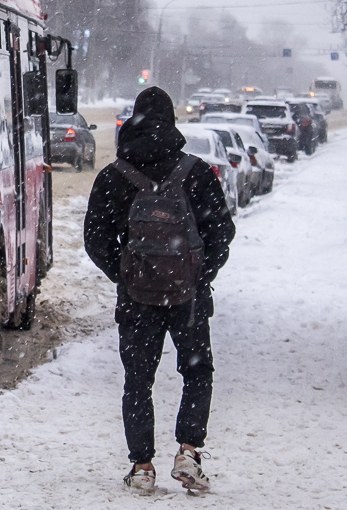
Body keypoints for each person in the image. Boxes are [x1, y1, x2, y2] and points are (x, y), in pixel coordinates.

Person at [84, 87, 235, 494]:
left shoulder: (114, 176)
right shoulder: (196, 171)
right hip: (188, 298)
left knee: (138, 380)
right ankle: (188, 451)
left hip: (137, 300)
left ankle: (142, 467)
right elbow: (222, 231)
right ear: (171, 122)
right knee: (197, 371)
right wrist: (198, 276)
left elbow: (95, 239)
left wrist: (126, 274)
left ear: (134, 120)